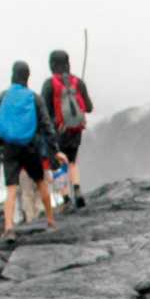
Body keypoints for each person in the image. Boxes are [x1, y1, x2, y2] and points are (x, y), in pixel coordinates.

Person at [0, 60, 66, 238]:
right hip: (30, 147)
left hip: (8, 148)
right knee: (40, 182)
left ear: (12, 75)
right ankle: (51, 220)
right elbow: (47, 126)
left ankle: (8, 228)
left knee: (11, 188)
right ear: (27, 77)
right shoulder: (34, 98)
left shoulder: (2, 97)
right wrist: (55, 150)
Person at [42, 49, 94, 209]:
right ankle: (77, 190)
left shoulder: (49, 84)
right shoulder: (78, 82)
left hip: (57, 131)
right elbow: (89, 107)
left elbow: (42, 110)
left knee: (58, 165)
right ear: (68, 63)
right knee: (72, 162)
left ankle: (65, 199)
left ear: (52, 64)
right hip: (75, 130)